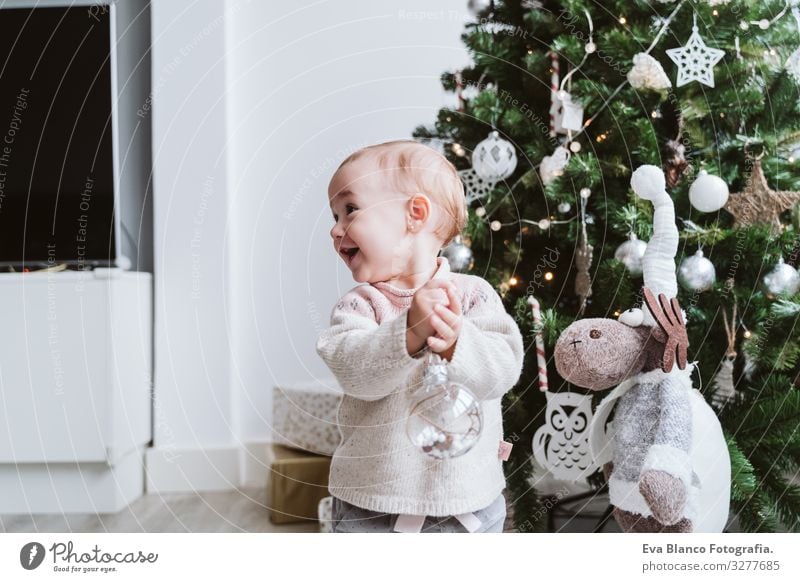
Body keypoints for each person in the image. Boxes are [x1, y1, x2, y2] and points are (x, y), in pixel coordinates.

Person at [316, 140, 524, 533]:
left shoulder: (472, 295)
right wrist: (407, 332)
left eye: (350, 209)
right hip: (370, 506)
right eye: (334, 214)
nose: (334, 228)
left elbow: (503, 368)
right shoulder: (361, 305)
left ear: (415, 214)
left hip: (468, 506)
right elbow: (353, 370)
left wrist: (458, 342)